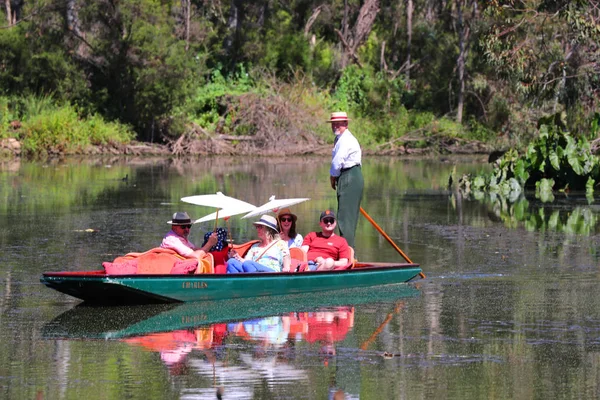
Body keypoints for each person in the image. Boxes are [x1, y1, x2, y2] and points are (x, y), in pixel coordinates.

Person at [327, 111, 364, 249]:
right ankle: (348, 253)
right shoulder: (340, 138)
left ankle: (348, 255)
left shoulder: (346, 140)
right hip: (347, 177)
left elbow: (337, 162)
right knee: (345, 217)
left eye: (339, 123)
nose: (335, 126)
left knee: (345, 219)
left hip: (350, 176)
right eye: (333, 123)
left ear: (346, 124)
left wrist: (332, 177)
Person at [226, 215, 291, 273]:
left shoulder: (280, 243)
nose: (257, 229)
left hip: (271, 274)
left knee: (247, 264)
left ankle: (251, 282)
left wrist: (286, 268)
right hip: (252, 270)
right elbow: (245, 261)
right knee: (231, 262)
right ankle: (239, 284)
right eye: (257, 227)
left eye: (260, 227)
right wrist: (238, 257)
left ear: (269, 230)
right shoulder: (255, 247)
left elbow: (286, 258)